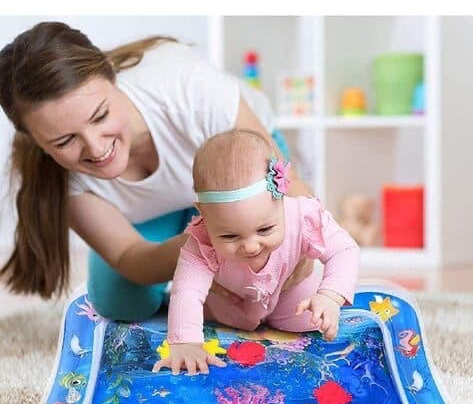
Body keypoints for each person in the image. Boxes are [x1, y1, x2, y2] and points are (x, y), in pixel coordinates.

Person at [0, 21, 313, 321]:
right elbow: (129, 256)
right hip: (162, 211)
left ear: (113, 77)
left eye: (100, 116)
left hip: (241, 172)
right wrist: (198, 253)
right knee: (118, 301)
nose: (96, 148)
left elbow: (290, 185)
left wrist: (301, 247)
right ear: (36, 141)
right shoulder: (58, 177)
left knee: (282, 291)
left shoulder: (187, 86)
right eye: (65, 141)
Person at [153, 129, 360, 375]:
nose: (251, 246)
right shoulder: (202, 241)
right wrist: (186, 342)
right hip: (231, 302)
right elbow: (187, 289)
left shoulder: (303, 217)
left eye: (265, 229)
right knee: (208, 319)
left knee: (311, 321)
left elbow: (344, 250)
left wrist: (330, 296)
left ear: (282, 199)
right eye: (230, 236)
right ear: (203, 214)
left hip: (290, 291)